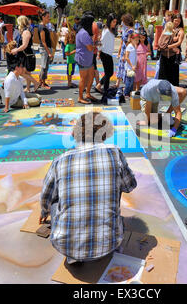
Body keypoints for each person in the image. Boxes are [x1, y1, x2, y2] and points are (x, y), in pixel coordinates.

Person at [39, 111, 137, 265]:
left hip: (65, 246)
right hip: (110, 244)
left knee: (55, 198)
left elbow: (46, 195)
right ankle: (104, 229)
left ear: (76, 133)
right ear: (104, 134)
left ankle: (74, 252)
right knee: (116, 186)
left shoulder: (60, 160)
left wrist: (44, 212)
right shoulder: (114, 152)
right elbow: (130, 186)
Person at [10, 15, 41, 93]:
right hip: (24, 53)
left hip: (25, 54)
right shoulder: (24, 31)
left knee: (21, 72)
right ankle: (28, 88)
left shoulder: (26, 32)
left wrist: (16, 50)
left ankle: (36, 83)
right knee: (27, 72)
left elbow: (24, 45)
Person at [75, 13, 97, 104]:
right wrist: (96, 45)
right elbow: (89, 47)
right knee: (83, 79)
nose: (93, 24)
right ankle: (80, 97)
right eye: (92, 22)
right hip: (83, 59)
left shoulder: (84, 32)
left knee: (91, 75)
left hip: (87, 59)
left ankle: (87, 93)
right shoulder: (83, 33)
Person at [159, 13, 184, 87]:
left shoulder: (180, 30)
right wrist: (164, 46)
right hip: (164, 54)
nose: (177, 22)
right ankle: (162, 89)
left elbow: (179, 42)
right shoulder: (168, 28)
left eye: (179, 21)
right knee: (163, 74)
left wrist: (168, 46)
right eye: (175, 20)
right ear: (172, 20)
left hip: (173, 56)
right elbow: (161, 38)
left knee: (173, 75)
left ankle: (173, 90)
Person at [96, 13, 117, 94]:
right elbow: (100, 42)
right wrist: (99, 53)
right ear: (109, 21)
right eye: (113, 22)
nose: (115, 23)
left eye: (115, 22)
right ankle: (101, 87)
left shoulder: (110, 30)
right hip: (105, 54)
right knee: (109, 73)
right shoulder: (107, 31)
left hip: (108, 53)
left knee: (108, 73)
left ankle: (104, 88)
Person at [116, 13, 134, 91]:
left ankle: (128, 86)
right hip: (123, 50)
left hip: (127, 51)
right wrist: (119, 52)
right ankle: (118, 83)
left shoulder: (130, 30)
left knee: (126, 68)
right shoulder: (125, 29)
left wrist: (124, 55)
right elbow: (122, 42)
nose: (122, 22)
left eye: (123, 21)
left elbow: (128, 43)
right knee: (121, 67)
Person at [37, 10, 53, 91]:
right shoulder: (42, 27)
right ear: (43, 17)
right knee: (44, 66)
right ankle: (42, 82)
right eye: (47, 17)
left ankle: (42, 81)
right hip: (44, 49)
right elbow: (43, 42)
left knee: (45, 66)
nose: (48, 19)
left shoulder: (44, 26)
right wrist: (49, 52)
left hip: (46, 49)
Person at [123, 32, 139, 97]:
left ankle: (129, 92)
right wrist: (132, 65)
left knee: (131, 81)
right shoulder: (129, 46)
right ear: (132, 39)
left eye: (138, 40)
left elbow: (134, 56)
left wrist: (136, 64)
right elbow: (126, 57)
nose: (137, 41)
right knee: (129, 81)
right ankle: (126, 93)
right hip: (129, 67)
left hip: (133, 67)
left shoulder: (134, 46)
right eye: (136, 40)